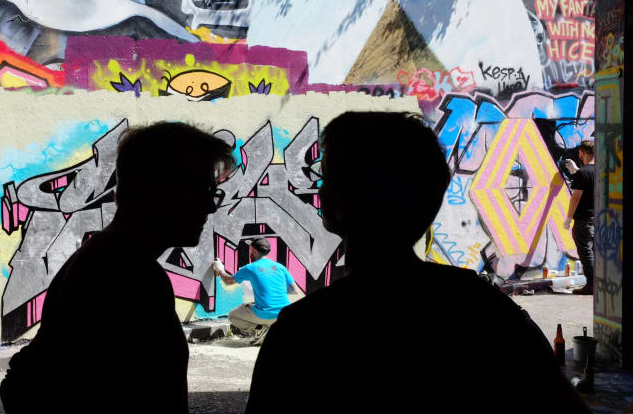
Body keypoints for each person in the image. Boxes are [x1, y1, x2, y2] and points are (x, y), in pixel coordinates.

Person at [246, 112, 591, 413]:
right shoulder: (489, 312)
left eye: (327, 181)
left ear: (334, 204)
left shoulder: (301, 334)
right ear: (432, 201)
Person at [0, 122, 233, 413]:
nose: (211, 206)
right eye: (202, 188)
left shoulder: (104, 258)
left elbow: (26, 377)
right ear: (157, 189)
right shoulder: (131, 274)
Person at [214, 238, 300, 345]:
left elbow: (228, 281)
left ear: (254, 251)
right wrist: (274, 291)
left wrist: (220, 269)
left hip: (265, 314)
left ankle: (260, 329)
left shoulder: (250, 268)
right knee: (253, 304)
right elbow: (294, 290)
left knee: (233, 315)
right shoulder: (280, 267)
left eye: (250, 250)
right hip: (284, 314)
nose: (249, 253)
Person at [564, 140, 595, 295]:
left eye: (579, 154)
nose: (579, 156)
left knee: (585, 251)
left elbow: (575, 197)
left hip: (584, 220)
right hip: (598, 218)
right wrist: (577, 171)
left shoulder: (583, 173)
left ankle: (591, 285)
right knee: (596, 251)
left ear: (582, 152)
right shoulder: (601, 170)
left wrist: (568, 218)